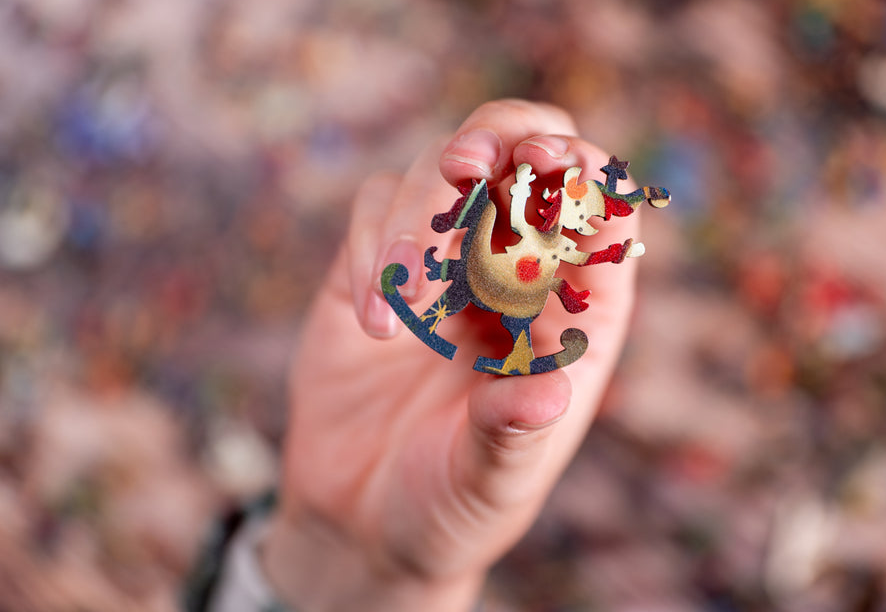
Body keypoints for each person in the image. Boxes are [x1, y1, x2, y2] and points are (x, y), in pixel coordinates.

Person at [192, 100, 644, 611]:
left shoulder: (551, 255)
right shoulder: (513, 224)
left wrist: (378, 574)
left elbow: (576, 253)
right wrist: (326, 546)